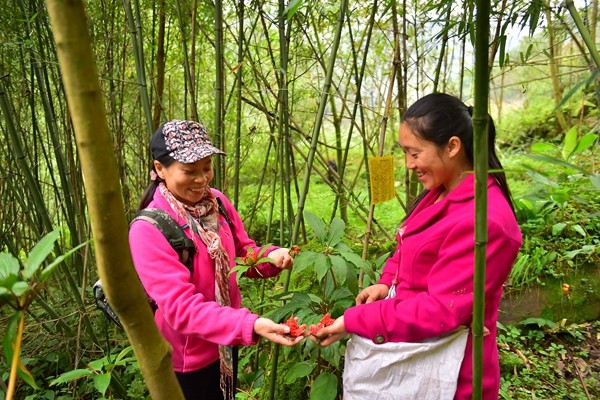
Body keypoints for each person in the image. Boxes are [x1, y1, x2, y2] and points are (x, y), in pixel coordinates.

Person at [312, 93, 522, 399]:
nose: (409, 165)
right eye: (405, 153)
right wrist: (387, 282)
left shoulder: (485, 222)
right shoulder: (440, 189)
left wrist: (354, 321)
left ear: (452, 146)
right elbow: (410, 243)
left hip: (449, 371)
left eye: (415, 153)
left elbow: (440, 309)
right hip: (413, 347)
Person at [129, 120, 303, 400]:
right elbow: (181, 309)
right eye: (189, 171)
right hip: (186, 361)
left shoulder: (217, 202)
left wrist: (270, 256)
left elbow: (243, 253)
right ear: (160, 169)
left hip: (225, 342)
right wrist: (249, 325)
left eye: (207, 167)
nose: (202, 179)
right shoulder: (148, 230)